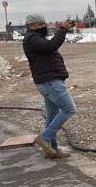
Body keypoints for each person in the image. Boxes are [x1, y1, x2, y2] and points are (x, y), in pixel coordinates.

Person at [23, 14, 76, 159]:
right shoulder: (32, 39)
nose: (44, 26)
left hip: (49, 81)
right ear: (31, 25)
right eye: (40, 24)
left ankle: (52, 149)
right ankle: (44, 138)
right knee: (69, 109)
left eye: (44, 23)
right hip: (49, 82)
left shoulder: (37, 38)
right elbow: (51, 46)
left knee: (52, 116)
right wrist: (63, 30)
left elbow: (49, 47)